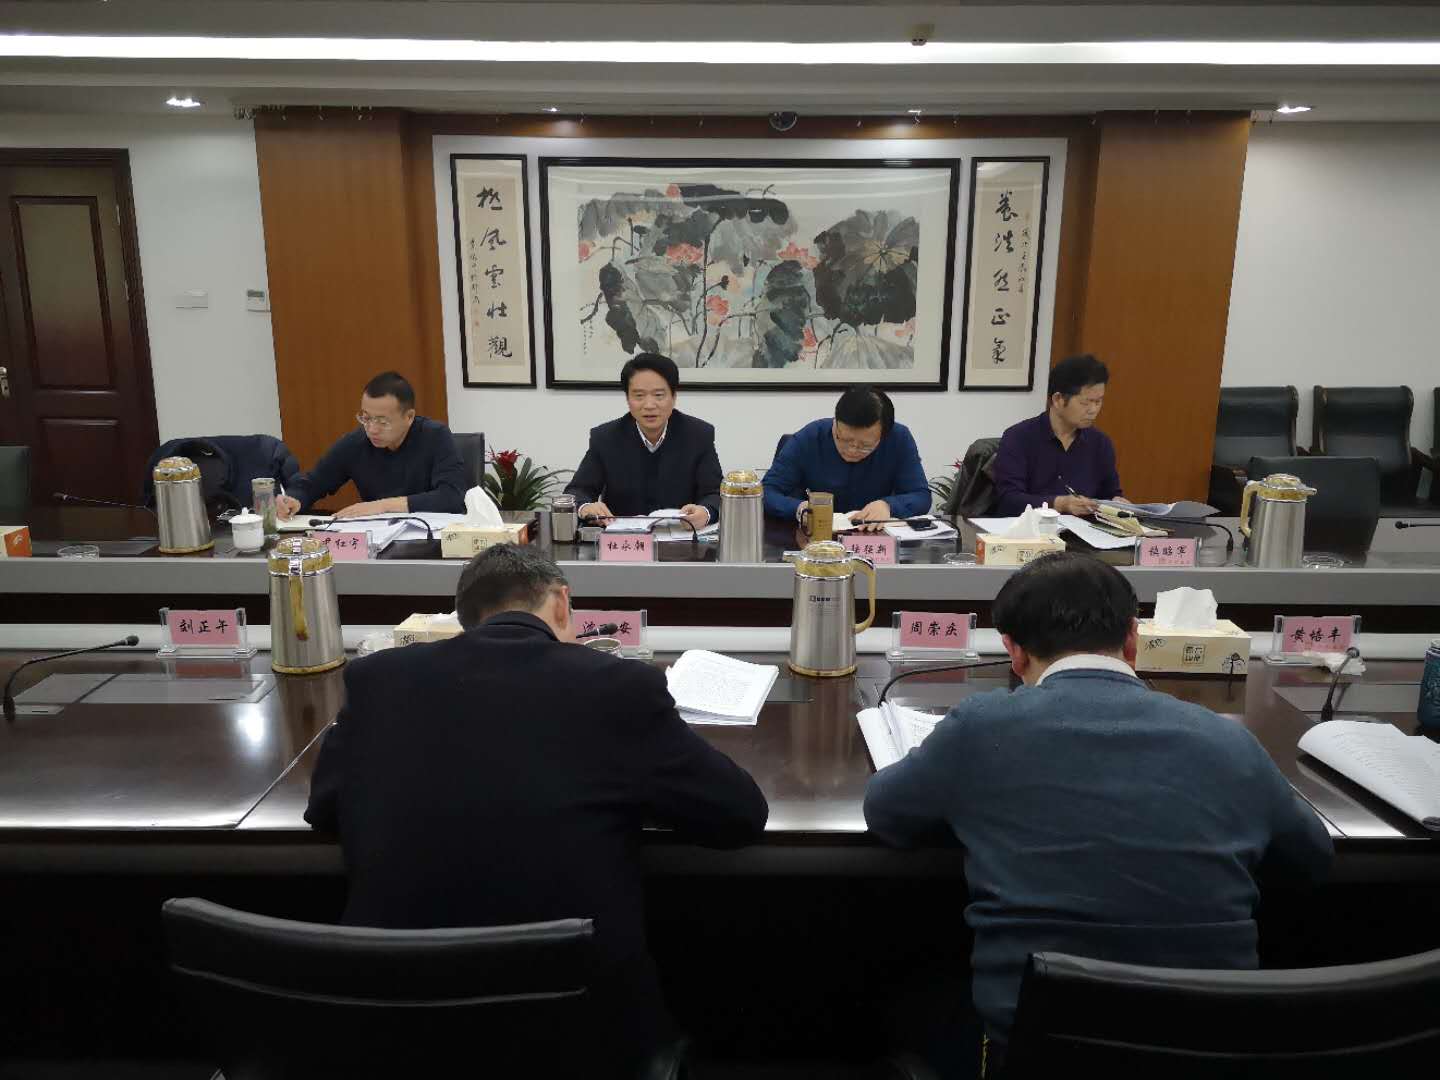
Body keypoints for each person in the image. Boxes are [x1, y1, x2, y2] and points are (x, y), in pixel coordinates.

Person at [304, 545, 768, 1076]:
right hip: (581, 1035)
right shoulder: (615, 684)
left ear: (465, 617)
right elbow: (739, 813)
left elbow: (324, 808)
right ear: (562, 602)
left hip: (396, 1028)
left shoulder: (379, 679)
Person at [864, 552, 1332, 1075]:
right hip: (1208, 1050)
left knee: (909, 1000)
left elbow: (886, 813)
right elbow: (1312, 858)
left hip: (1038, 1056)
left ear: (1014, 652)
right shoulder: (1229, 741)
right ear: (1133, 639)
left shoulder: (982, 727)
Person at [276, 371, 466, 520]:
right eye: (366, 418)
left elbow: (452, 497)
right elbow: (313, 482)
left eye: (382, 421)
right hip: (379, 539)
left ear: (409, 417)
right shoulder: (355, 443)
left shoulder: (435, 436)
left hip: (431, 538)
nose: (372, 429)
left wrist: (382, 506)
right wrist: (293, 499)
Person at [564, 353, 722, 529]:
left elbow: (715, 494)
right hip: (623, 540)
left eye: (659, 395)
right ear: (627, 399)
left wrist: (705, 512)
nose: (649, 405)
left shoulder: (699, 435)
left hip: (681, 539)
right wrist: (586, 507)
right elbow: (577, 491)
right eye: (639, 396)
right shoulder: (605, 438)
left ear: (674, 397)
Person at [762, 386, 929, 524]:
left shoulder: (899, 439)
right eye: (844, 439)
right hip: (816, 536)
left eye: (865, 446)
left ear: (884, 435)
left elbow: (921, 496)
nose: (852, 450)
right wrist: (799, 508)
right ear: (835, 422)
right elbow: (766, 491)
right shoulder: (809, 438)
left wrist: (888, 506)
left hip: (872, 537)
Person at [992, 353, 1123, 516]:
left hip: (1084, 529)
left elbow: (1110, 494)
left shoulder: (1100, 443)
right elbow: (1008, 501)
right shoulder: (1018, 438)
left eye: (1099, 401)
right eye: (1086, 402)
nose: (1093, 410)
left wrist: (1118, 503)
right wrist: (1059, 504)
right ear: (1058, 399)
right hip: (1031, 529)